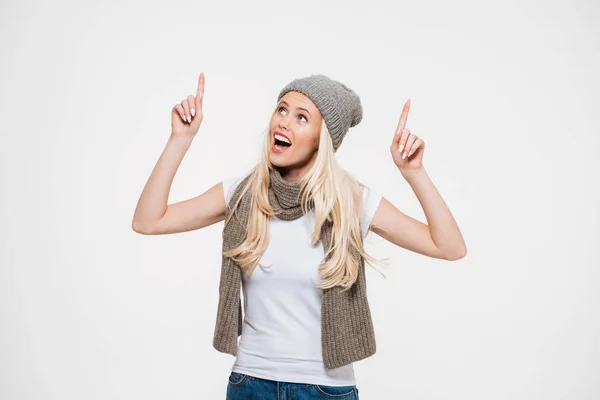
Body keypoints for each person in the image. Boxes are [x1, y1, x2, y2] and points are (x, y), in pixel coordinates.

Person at [132, 72, 467, 399]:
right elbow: (148, 221)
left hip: (325, 389)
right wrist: (180, 140)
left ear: (322, 139)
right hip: (250, 384)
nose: (283, 122)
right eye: (281, 109)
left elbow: (449, 246)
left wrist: (414, 173)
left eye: (301, 117)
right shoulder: (242, 194)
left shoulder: (352, 201)